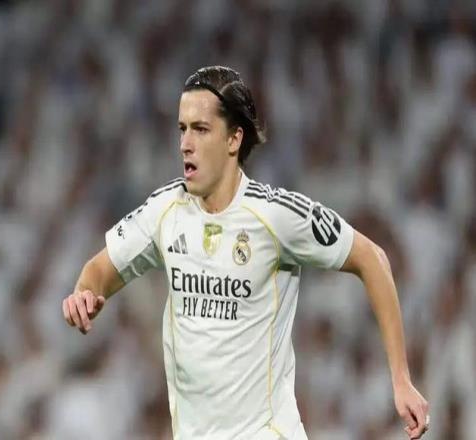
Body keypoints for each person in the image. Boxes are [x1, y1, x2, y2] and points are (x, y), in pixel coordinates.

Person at [62, 66, 429, 440]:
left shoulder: (275, 215)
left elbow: (372, 258)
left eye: (200, 129)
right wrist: (84, 294)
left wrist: (401, 380)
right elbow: (100, 269)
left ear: (234, 139)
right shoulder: (166, 210)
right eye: (182, 129)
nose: (185, 143)